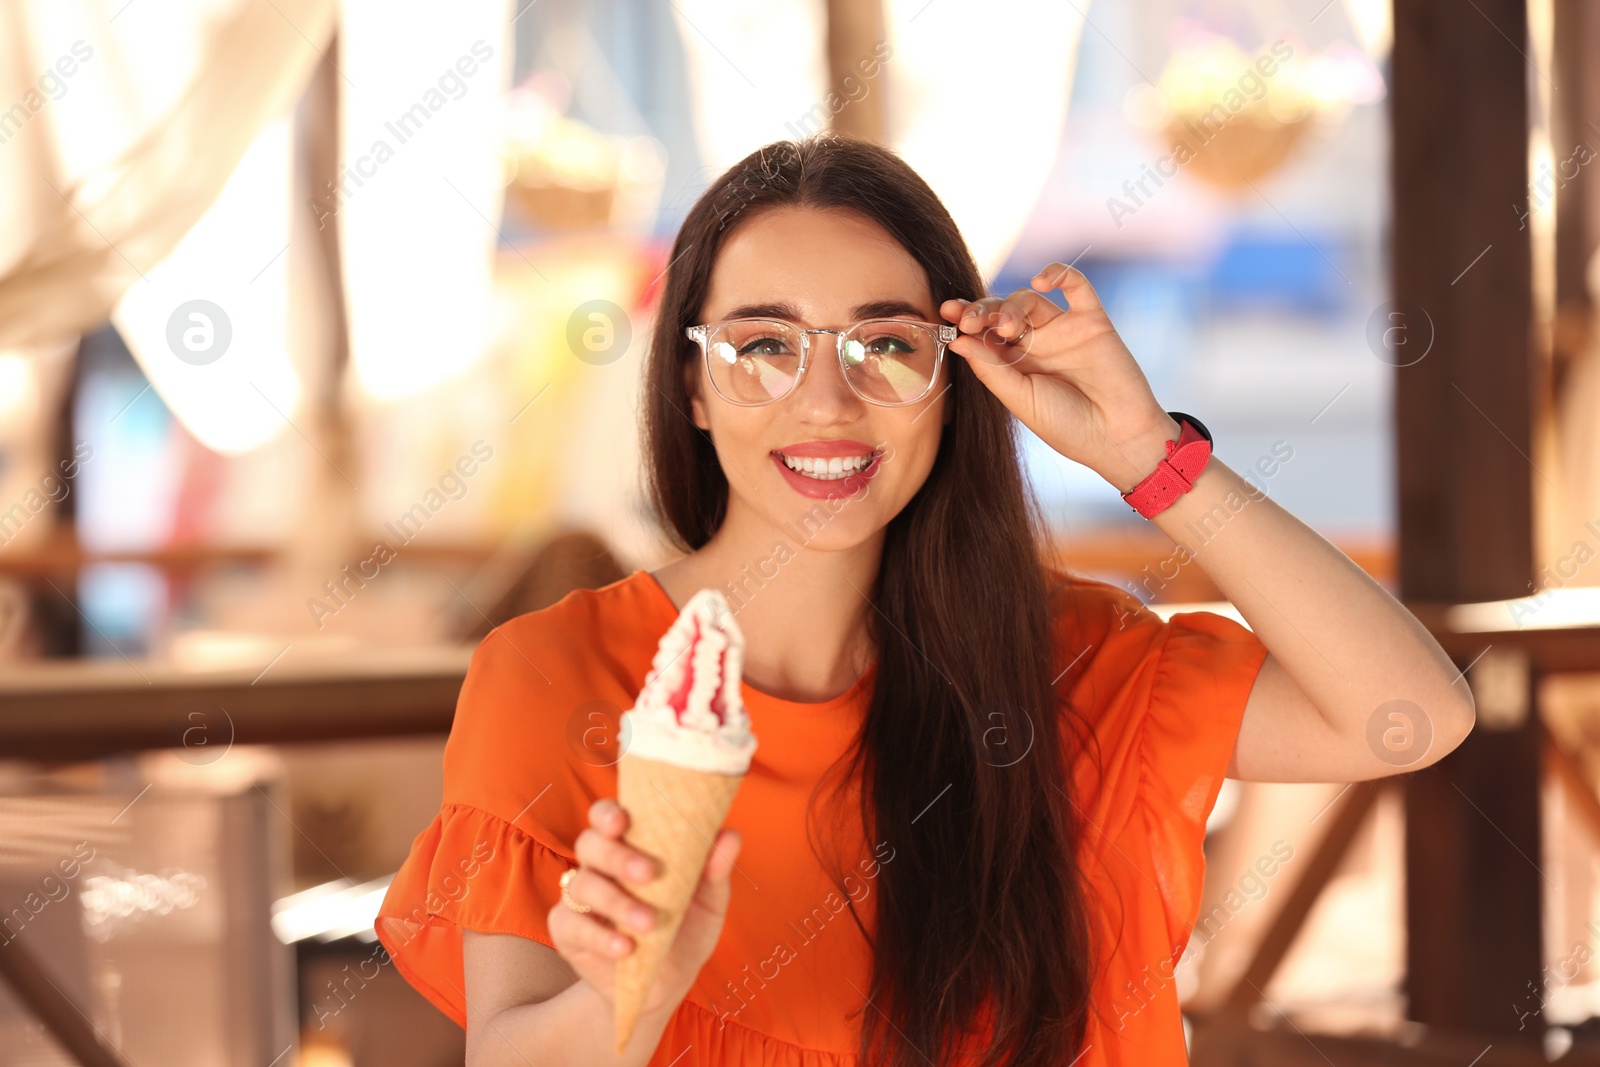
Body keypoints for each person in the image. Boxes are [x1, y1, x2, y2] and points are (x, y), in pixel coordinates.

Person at [374, 134, 1476, 1067]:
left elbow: (1414, 712)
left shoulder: (1067, 658)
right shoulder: (553, 674)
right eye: (763, 345)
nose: (825, 399)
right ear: (691, 388)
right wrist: (633, 993)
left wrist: (1148, 456)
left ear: (952, 384)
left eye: (885, 346)